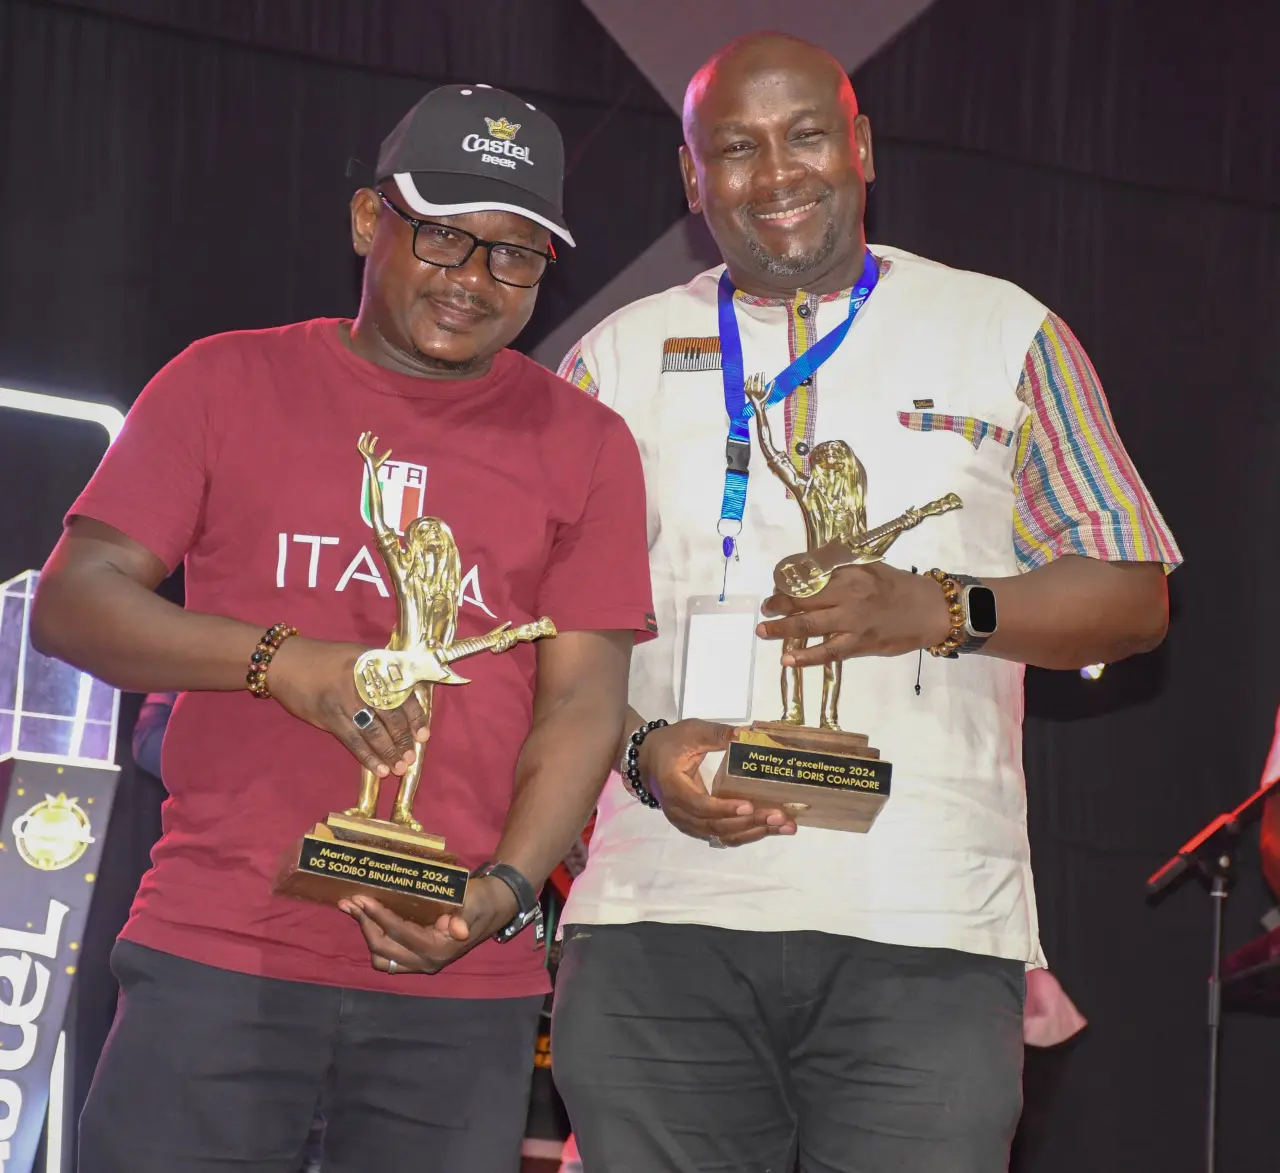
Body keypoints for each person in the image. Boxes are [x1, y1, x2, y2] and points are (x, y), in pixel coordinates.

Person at [550, 32, 1179, 1173]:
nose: (775, 173)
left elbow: (1132, 594)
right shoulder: (613, 361)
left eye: (805, 136)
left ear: (862, 147)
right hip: (656, 915)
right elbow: (537, 640)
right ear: (690, 176)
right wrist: (642, 753)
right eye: (735, 148)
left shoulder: (1005, 333)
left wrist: (942, 609)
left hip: (925, 922)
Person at [33, 82, 653, 1173]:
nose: (473, 278)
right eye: (444, 236)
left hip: (459, 983)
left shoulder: (587, 444)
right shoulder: (226, 379)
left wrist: (505, 892)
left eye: (515, 254)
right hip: (221, 950)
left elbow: (582, 701)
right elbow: (74, 600)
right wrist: (281, 661)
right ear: (371, 220)